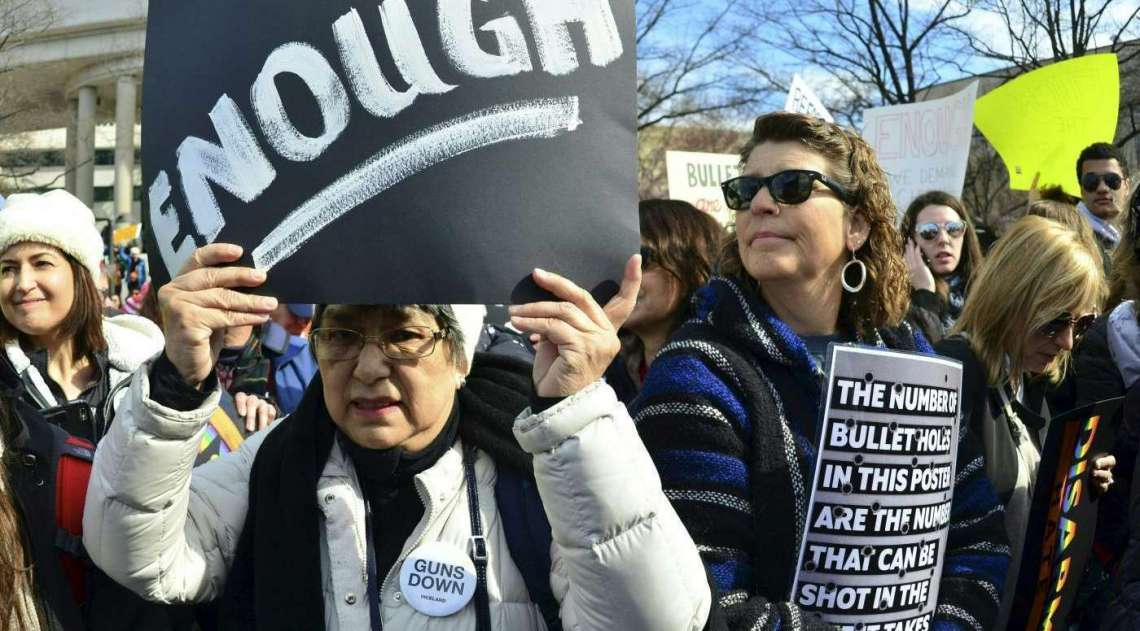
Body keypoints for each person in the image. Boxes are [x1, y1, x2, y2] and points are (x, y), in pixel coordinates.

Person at [82, 243, 712, 630]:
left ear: (460, 358)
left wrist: (576, 414)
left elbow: (654, 619)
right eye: (343, 335)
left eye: (405, 336)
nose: (369, 366)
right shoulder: (270, 465)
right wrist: (172, 387)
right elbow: (139, 556)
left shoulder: (542, 472)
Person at [632, 111, 1010, 630]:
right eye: (746, 191)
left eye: (792, 186)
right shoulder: (696, 373)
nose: (762, 204)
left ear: (856, 224)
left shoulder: (912, 357)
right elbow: (705, 598)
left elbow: (977, 538)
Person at [0, 191, 281, 630]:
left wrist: (236, 409)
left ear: (81, 275)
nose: (22, 283)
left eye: (41, 263)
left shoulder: (155, 378)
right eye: (7, 269)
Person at [935, 215, 1115, 628]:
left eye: (1082, 325)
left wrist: (1075, 481)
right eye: (1055, 322)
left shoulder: (1026, 381)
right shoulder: (957, 372)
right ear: (1012, 298)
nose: (1069, 341)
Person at [604, 199, 722, 403]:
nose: (626, 275)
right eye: (616, 262)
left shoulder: (715, 369)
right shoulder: (607, 366)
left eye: (642, 259)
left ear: (693, 268)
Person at [900, 190, 983, 343]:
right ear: (910, 242)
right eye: (929, 231)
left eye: (953, 229)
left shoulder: (987, 291)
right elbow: (924, 352)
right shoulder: (896, 300)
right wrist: (924, 294)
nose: (943, 239)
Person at [1076, 142, 1131, 252]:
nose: (1102, 188)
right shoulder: (1069, 238)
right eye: (1091, 181)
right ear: (1081, 190)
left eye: (1112, 179)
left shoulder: (1133, 235)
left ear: (1127, 186)